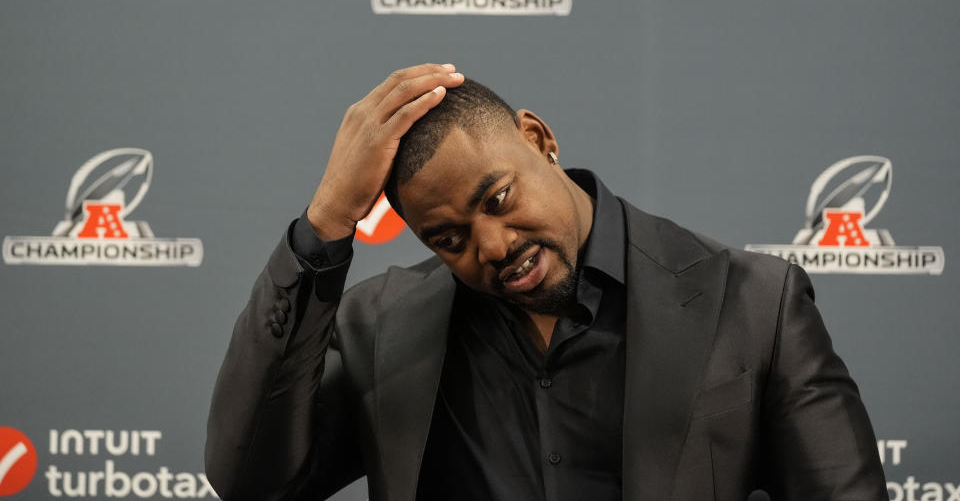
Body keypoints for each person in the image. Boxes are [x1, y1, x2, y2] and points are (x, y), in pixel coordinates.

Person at [205, 63, 887, 501]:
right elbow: (250, 481)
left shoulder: (755, 303)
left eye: (497, 198)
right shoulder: (380, 329)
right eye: (449, 239)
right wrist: (326, 220)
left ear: (537, 138)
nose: (493, 246)